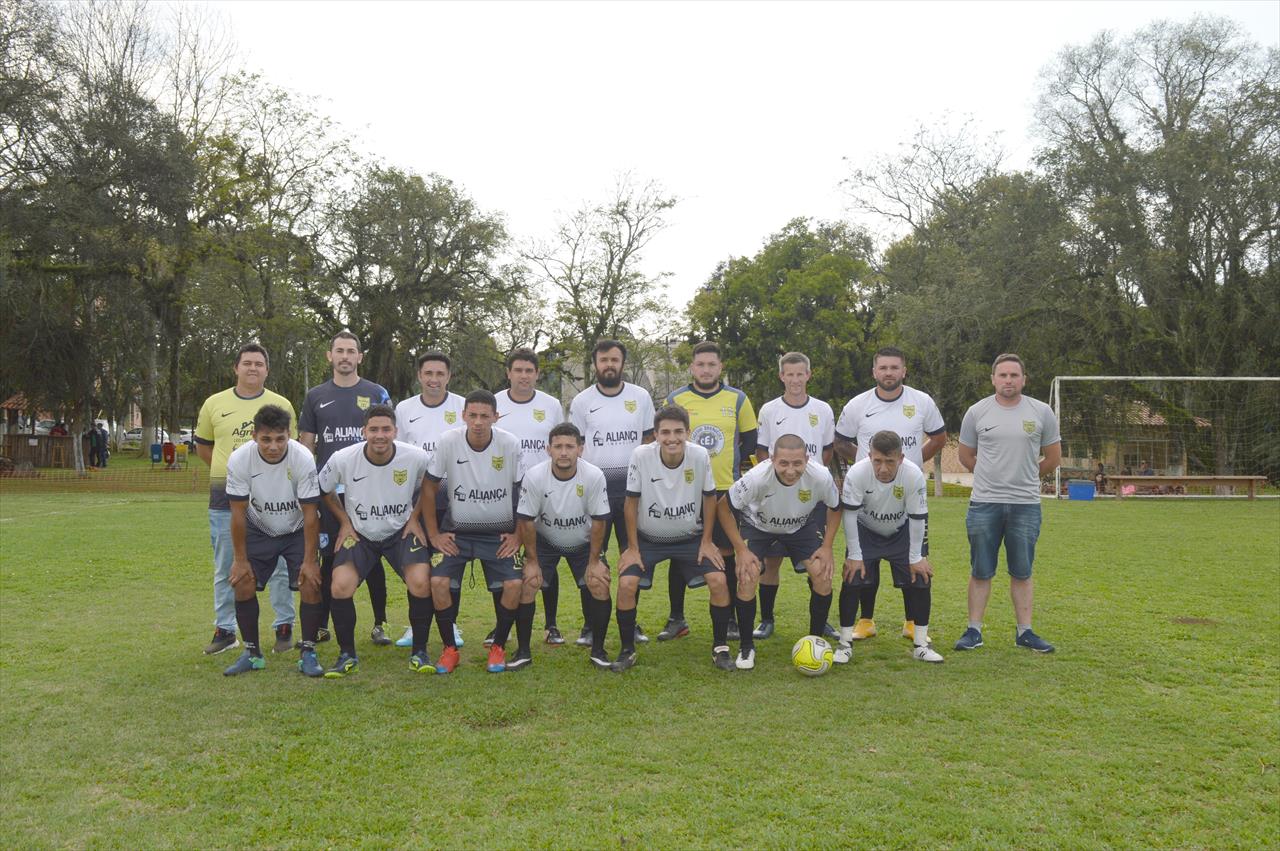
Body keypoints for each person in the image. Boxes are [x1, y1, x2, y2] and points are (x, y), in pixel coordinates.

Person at [834, 346, 946, 643]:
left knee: (913, 558)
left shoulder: (921, 401)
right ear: (874, 372)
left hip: (906, 495)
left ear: (904, 371)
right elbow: (840, 441)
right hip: (868, 495)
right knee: (863, 563)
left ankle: (912, 623)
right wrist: (864, 462)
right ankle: (866, 621)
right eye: (883, 368)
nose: (888, 373)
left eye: (894, 368)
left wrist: (912, 462)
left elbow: (939, 437)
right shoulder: (858, 404)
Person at [194, 343, 297, 656]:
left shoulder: (282, 404)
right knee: (227, 564)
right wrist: (235, 473)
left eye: (259, 364)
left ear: (267, 369)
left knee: (279, 564)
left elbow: (288, 447)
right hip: (225, 497)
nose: (253, 368)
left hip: (273, 499)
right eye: (247, 363)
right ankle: (225, 629)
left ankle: (283, 626)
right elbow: (203, 448)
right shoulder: (214, 403)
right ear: (236, 368)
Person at [954, 353, 1060, 654]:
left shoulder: (1041, 412)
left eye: (1014, 375)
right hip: (984, 504)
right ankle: (973, 630)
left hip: (1025, 504)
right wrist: (993, 477)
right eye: (1003, 375)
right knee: (980, 569)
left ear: (1024, 379)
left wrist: (1025, 476)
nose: (1008, 380)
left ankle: (1025, 632)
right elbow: (965, 456)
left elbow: (1053, 458)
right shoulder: (977, 412)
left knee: (1022, 571)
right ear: (993, 379)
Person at [317, 404, 434, 677]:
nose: (380, 435)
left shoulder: (416, 456)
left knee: (420, 581)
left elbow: (430, 486)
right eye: (373, 429)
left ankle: (420, 651)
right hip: (361, 534)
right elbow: (324, 490)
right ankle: (347, 655)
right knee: (340, 586)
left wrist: (415, 517)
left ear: (395, 431)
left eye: (386, 429)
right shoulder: (343, 458)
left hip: (400, 532)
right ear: (363, 431)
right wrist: (344, 521)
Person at [298, 330, 393, 648]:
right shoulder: (315, 396)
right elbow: (306, 446)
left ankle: (380, 623)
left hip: (369, 493)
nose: (345, 356)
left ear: (360, 357)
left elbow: (392, 441)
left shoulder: (377, 393)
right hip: (329, 495)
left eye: (351, 351)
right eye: (339, 350)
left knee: (374, 557)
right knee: (328, 556)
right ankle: (322, 624)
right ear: (330, 356)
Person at [613, 405, 726, 672]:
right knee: (627, 583)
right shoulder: (641, 455)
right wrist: (631, 547)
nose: (672, 438)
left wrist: (707, 540)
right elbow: (630, 503)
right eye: (665, 432)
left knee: (719, 581)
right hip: (649, 538)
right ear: (655, 434)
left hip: (689, 537)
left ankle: (720, 648)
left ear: (688, 432)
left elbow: (709, 498)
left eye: (678, 432)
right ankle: (627, 649)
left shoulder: (699, 455)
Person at [721, 434, 841, 669]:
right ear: (772, 459)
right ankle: (747, 648)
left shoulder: (820, 476)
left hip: (800, 527)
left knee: (822, 574)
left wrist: (827, 547)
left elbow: (835, 508)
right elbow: (723, 508)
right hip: (758, 526)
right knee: (748, 575)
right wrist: (741, 550)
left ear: (807, 459)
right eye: (783, 463)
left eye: (797, 463)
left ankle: (814, 641)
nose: (790, 470)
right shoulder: (756, 478)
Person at [423, 390, 522, 674]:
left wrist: (516, 534)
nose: (478, 422)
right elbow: (428, 489)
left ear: (495, 417)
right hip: (457, 534)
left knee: (514, 585)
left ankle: (498, 646)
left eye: (484, 416)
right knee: (438, 583)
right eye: (473, 415)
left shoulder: (509, 444)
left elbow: (523, 492)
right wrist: (433, 535)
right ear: (463, 416)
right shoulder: (448, 442)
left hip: (498, 535)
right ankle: (449, 649)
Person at [664, 341, 757, 643]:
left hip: (724, 491)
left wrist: (725, 466)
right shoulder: (676, 399)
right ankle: (677, 618)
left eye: (711, 365)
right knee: (679, 551)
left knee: (726, 553)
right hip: (685, 490)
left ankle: (728, 617)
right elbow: (667, 438)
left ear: (721, 367)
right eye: (700, 364)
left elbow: (750, 441)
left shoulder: (738, 399)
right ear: (692, 367)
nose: (705, 369)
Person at [221, 405, 323, 676]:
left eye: (280, 438)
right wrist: (240, 560)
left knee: (311, 582)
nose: (274, 446)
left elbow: (312, 515)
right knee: (242, 581)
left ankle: (308, 652)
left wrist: (310, 561)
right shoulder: (240, 459)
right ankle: (252, 654)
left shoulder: (303, 457)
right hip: (259, 528)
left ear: (290, 435)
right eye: (266, 439)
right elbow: (238, 513)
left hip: (297, 528)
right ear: (254, 436)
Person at [568, 339, 655, 648]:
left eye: (614, 359)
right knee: (592, 558)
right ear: (595, 364)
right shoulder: (581, 402)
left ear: (623, 363)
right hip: (595, 493)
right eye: (603, 359)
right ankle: (591, 623)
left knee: (632, 557)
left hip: (632, 493)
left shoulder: (641, 397)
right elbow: (574, 448)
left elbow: (648, 442)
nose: (609, 364)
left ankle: (631, 623)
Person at [837, 430, 942, 664]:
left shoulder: (913, 475)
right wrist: (854, 554)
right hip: (866, 530)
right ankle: (844, 644)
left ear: (901, 458)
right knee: (852, 578)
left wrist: (916, 557)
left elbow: (918, 518)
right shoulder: (857, 473)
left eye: (890, 462)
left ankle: (921, 645)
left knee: (922, 577)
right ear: (869, 456)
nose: (883, 469)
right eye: (877, 461)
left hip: (900, 531)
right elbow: (850, 516)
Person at [752, 352, 836, 640]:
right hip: (776, 495)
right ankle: (766, 619)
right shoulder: (769, 410)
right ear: (782, 376)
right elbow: (762, 451)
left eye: (801, 374)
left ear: (809, 375)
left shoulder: (823, 409)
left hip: (812, 498)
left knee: (816, 561)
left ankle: (821, 622)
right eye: (790, 374)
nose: (795, 379)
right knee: (771, 562)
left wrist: (810, 477)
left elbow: (826, 450)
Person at [515, 422, 613, 669]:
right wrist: (532, 561)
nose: (564, 452)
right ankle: (523, 651)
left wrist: (594, 561)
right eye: (558, 446)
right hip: (545, 541)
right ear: (548, 449)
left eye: (570, 446)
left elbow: (600, 520)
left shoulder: (594, 475)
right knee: (527, 583)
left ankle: (598, 650)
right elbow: (526, 520)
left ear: (580, 449)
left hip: (582, 541)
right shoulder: (535, 476)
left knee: (599, 582)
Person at [496, 348, 569, 645]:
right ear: (508, 373)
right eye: (518, 370)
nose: (524, 376)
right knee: (506, 560)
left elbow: (561, 444)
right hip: (505, 493)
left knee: (543, 560)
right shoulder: (496, 403)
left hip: (544, 491)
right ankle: (502, 624)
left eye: (529, 371)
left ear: (537, 374)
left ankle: (551, 625)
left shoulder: (551, 405)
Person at [393, 350, 466, 649]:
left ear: (448, 376)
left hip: (456, 498)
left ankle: (453, 623)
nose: (434, 380)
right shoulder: (404, 408)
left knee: (451, 563)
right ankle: (415, 624)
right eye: (428, 374)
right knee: (418, 563)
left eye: (440, 374)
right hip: (417, 499)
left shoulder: (462, 406)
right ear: (419, 376)